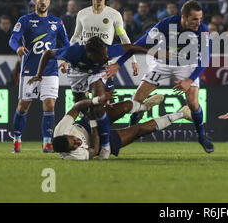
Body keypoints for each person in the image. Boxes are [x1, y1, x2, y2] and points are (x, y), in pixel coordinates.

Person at [104, 0, 214, 153]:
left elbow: (205, 60)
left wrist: (189, 80)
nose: (198, 23)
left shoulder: (203, 31)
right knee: (136, 100)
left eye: (200, 18)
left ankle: (202, 137)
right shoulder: (165, 25)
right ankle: (128, 132)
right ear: (184, 17)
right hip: (162, 62)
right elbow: (137, 45)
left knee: (193, 102)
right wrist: (118, 64)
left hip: (187, 64)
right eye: (195, 19)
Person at [28, 35, 162, 159]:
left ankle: (105, 146)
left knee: (98, 108)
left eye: (107, 55)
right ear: (90, 54)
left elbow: (132, 46)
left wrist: (152, 52)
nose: (107, 58)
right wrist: (39, 74)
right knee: (85, 110)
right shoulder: (73, 52)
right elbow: (48, 53)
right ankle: (100, 129)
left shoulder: (108, 51)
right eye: (103, 57)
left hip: (95, 74)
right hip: (77, 76)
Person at [8, 0, 70, 153]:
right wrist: (18, 48)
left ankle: (47, 143)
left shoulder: (57, 22)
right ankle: (17, 140)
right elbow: (12, 39)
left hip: (50, 71)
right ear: (35, 1)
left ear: (50, 2)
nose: (43, 2)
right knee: (23, 106)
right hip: (30, 70)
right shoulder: (25, 20)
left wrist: (65, 60)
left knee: (49, 105)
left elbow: (66, 44)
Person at [51, 91, 181, 160]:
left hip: (83, 125)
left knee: (126, 106)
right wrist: (94, 124)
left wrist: (96, 100)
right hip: (98, 143)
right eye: (74, 146)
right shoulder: (75, 157)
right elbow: (95, 150)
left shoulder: (61, 129)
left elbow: (76, 107)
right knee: (138, 130)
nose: (77, 142)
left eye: (72, 139)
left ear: (66, 134)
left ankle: (144, 107)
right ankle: (180, 114)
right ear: (68, 152)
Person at [69, 0, 139, 103]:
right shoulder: (82, 14)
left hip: (104, 64)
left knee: (105, 103)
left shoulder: (114, 15)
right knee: (80, 103)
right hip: (85, 62)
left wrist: (133, 60)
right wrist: (68, 56)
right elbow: (76, 36)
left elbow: (123, 37)